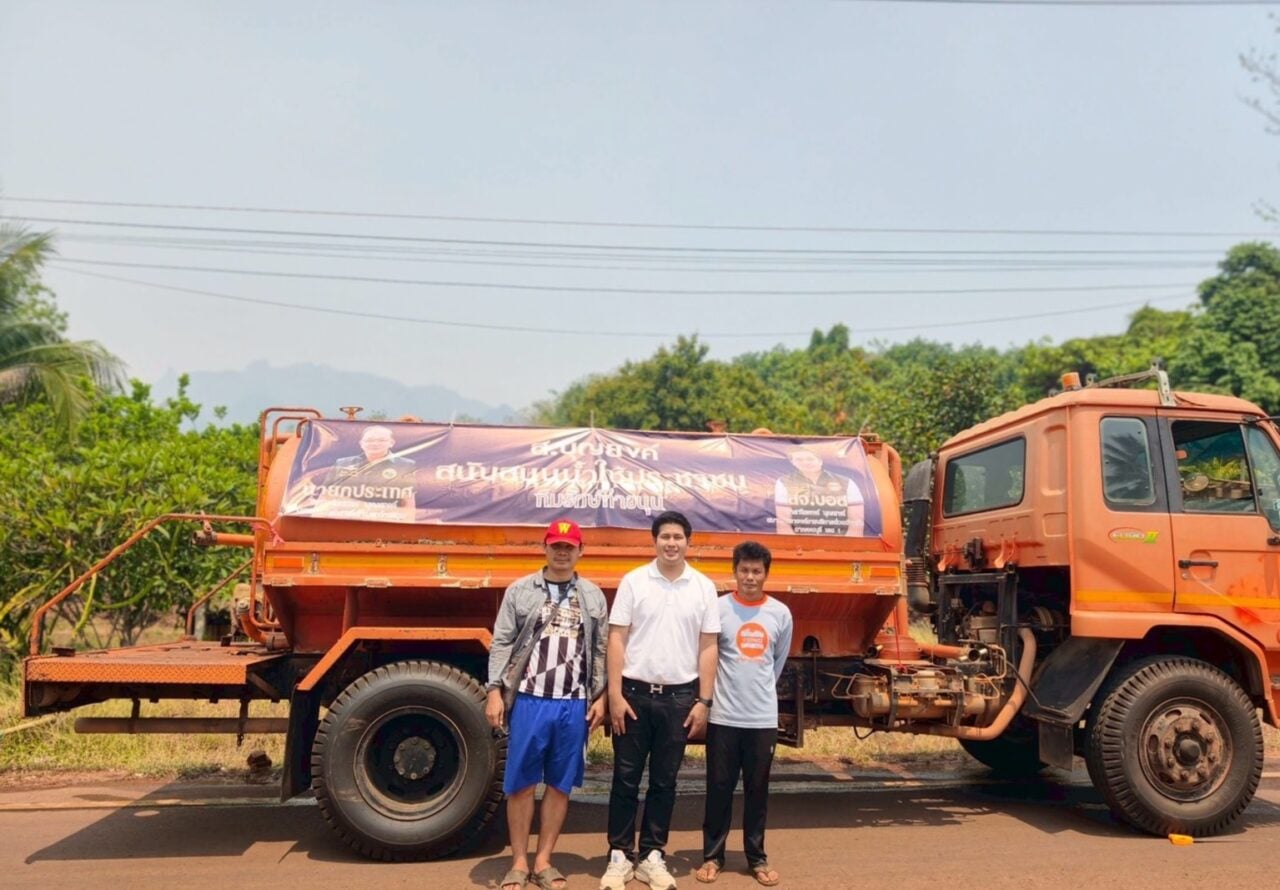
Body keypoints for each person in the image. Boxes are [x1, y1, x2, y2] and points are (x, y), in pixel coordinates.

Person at [600, 511, 720, 890]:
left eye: (678, 537)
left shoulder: (703, 587)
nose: (671, 543)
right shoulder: (634, 581)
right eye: (665, 536)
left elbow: (708, 645)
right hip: (633, 696)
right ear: (654, 541)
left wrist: (704, 701)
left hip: (680, 699)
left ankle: (653, 855)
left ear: (688, 542)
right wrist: (614, 694)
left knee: (665, 782)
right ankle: (619, 856)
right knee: (625, 778)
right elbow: (617, 638)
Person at [486, 519, 609, 890]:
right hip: (530, 700)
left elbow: (600, 649)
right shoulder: (521, 590)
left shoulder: (593, 596)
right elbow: (502, 642)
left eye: (569, 547)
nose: (562, 553)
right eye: (556, 545)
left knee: (559, 785)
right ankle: (518, 863)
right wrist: (494, 690)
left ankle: (544, 861)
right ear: (545, 547)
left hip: (573, 704)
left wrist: (600, 697)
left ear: (580, 551)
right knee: (522, 784)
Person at [695, 541, 792, 887]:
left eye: (756, 571)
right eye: (744, 570)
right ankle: (712, 856)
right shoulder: (718, 609)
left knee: (757, 790)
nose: (750, 577)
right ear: (734, 572)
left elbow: (776, 663)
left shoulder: (780, 614)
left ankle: (757, 858)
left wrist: (757, 693)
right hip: (723, 717)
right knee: (718, 788)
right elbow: (707, 656)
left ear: (766, 574)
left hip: (761, 719)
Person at [314, 425, 417, 521]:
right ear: (361, 444)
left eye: (381, 440)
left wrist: (407, 525)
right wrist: (316, 522)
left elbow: (407, 501)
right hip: (346, 520)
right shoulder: (343, 463)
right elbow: (325, 496)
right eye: (369, 440)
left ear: (391, 443)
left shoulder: (405, 465)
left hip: (385, 521)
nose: (375, 443)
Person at [773, 448, 864, 536]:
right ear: (793, 463)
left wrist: (845, 545)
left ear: (820, 461)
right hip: (799, 544)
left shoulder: (846, 482)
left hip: (840, 542)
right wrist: (796, 545)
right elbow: (783, 524)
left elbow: (856, 524)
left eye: (810, 459)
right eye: (799, 460)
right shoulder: (783, 482)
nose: (805, 463)